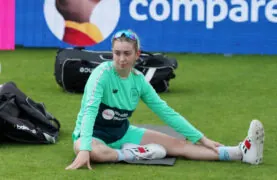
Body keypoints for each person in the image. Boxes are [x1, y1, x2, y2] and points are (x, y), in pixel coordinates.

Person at [65, 29, 265, 170]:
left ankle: (240, 152)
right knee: (91, 150)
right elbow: (90, 111)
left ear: (137, 55)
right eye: (117, 53)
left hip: (123, 133)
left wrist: (201, 138)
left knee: (180, 146)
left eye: (127, 53)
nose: (121, 59)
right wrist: (84, 149)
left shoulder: (138, 80)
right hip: (91, 136)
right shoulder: (101, 75)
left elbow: (165, 111)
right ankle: (135, 154)